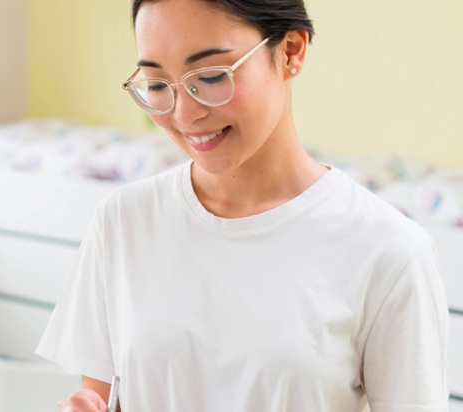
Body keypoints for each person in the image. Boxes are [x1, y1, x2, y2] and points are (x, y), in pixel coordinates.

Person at [37, 1, 449, 411]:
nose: (185, 113)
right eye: (158, 84)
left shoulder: (389, 252)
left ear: (291, 50)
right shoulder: (124, 222)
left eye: (213, 75)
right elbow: (101, 399)